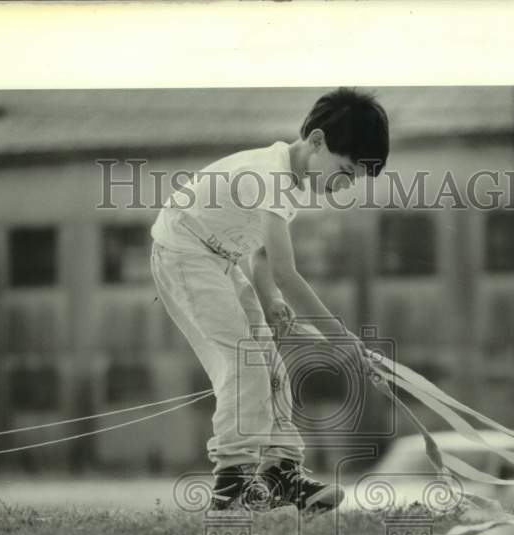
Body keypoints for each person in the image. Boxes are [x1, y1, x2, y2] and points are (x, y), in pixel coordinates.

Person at [150, 87, 389, 513]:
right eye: (345, 171)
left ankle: (279, 471)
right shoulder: (272, 175)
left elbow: (262, 257)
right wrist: (341, 338)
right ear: (316, 142)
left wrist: (271, 299)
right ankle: (233, 481)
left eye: (352, 180)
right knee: (245, 362)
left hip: (219, 259)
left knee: (272, 366)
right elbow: (286, 269)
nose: (344, 186)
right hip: (183, 252)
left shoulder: (295, 184)